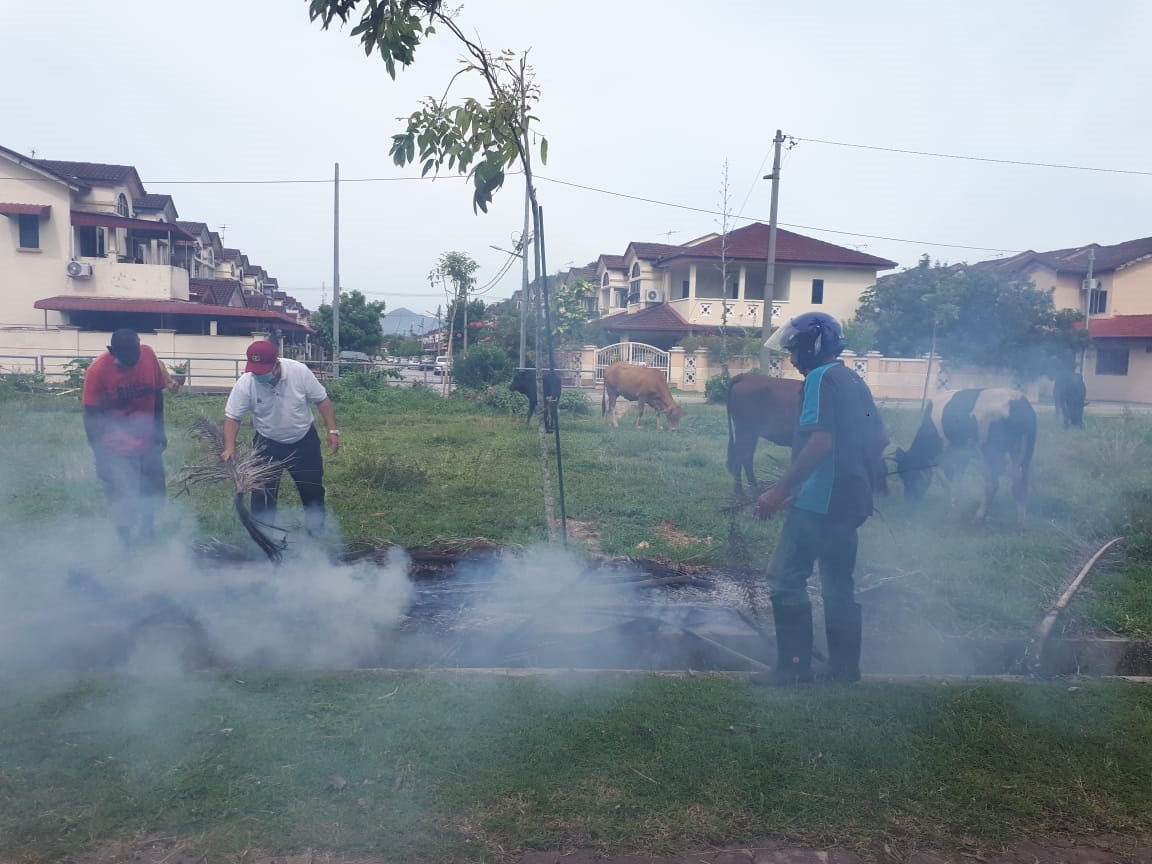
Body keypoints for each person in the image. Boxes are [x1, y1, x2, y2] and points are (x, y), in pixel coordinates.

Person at [752, 312, 887, 685]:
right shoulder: (852, 378)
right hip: (852, 501)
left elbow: (821, 441)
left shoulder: (819, 379)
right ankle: (845, 669)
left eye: (794, 350)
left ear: (812, 346)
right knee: (838, 583)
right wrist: (859, 475)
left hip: (820, 501)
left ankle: (793, 668)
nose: (792, 359)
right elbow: (880, 438)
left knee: (784, 578)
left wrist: (779, 492)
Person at [221, 340, 340, 535]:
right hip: (266, 443)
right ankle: (264, 539)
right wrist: (229, 447)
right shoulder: (246, 383)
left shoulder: (299, 372)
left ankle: (316, 536)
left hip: (303, 441)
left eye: (263, 371)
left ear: (276, 364)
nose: (259, 376)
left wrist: (333, 431)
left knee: (312, 491)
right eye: (255, 371)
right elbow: (233, 417)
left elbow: (322, 400)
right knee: (262, 495)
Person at [82, 328, 169, 545]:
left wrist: (160, 429)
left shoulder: (148, 355)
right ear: (112, 351)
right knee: (122, 496)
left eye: (135, 353)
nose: (132, 360)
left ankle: (148, 529)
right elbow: (90, 415)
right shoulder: (97, 371)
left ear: (140, 345)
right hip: (116, 447)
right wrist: (99, 456)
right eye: (126, 356)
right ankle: (125, 541)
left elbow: (157, 393)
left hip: (148, 441)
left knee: (152, 489)